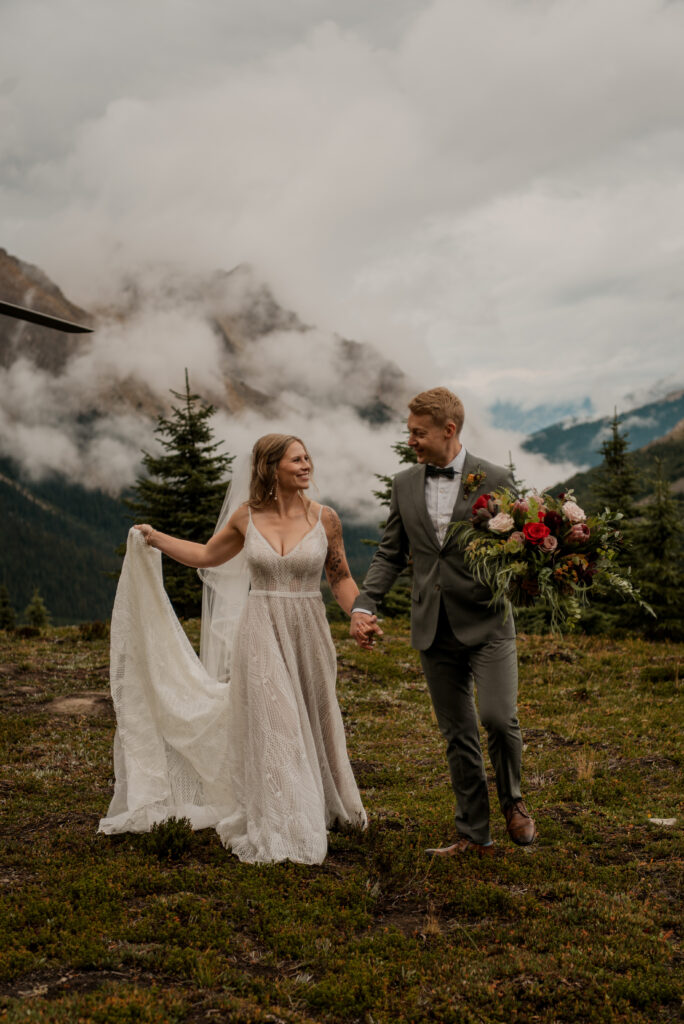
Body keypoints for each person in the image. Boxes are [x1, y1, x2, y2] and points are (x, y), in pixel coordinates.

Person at [99, 433, 367, 864]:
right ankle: (287, 822)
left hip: (309, 633)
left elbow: (340, 578)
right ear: (270, 468)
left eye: (307, 458)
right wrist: (156, 538)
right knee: (276, 725)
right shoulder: (246, 517)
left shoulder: (326, 519)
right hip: (260, 631)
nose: (306, 465)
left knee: (314, 717)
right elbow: (206, 556)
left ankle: (322, 801)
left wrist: (359, 613)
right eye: (296, 459)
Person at [350, 387, 536, 856]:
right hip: (433, 627)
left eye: (418, 432)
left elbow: (518, 547)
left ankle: (513, 801)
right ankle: (474, 835)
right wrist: (364, 603)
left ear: (448, 430)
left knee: (497, 716)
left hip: (489, 623)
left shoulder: (495, 478)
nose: (411, 440)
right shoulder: (404, 484)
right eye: (410, 432)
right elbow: (391, 552)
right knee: (458, 735)